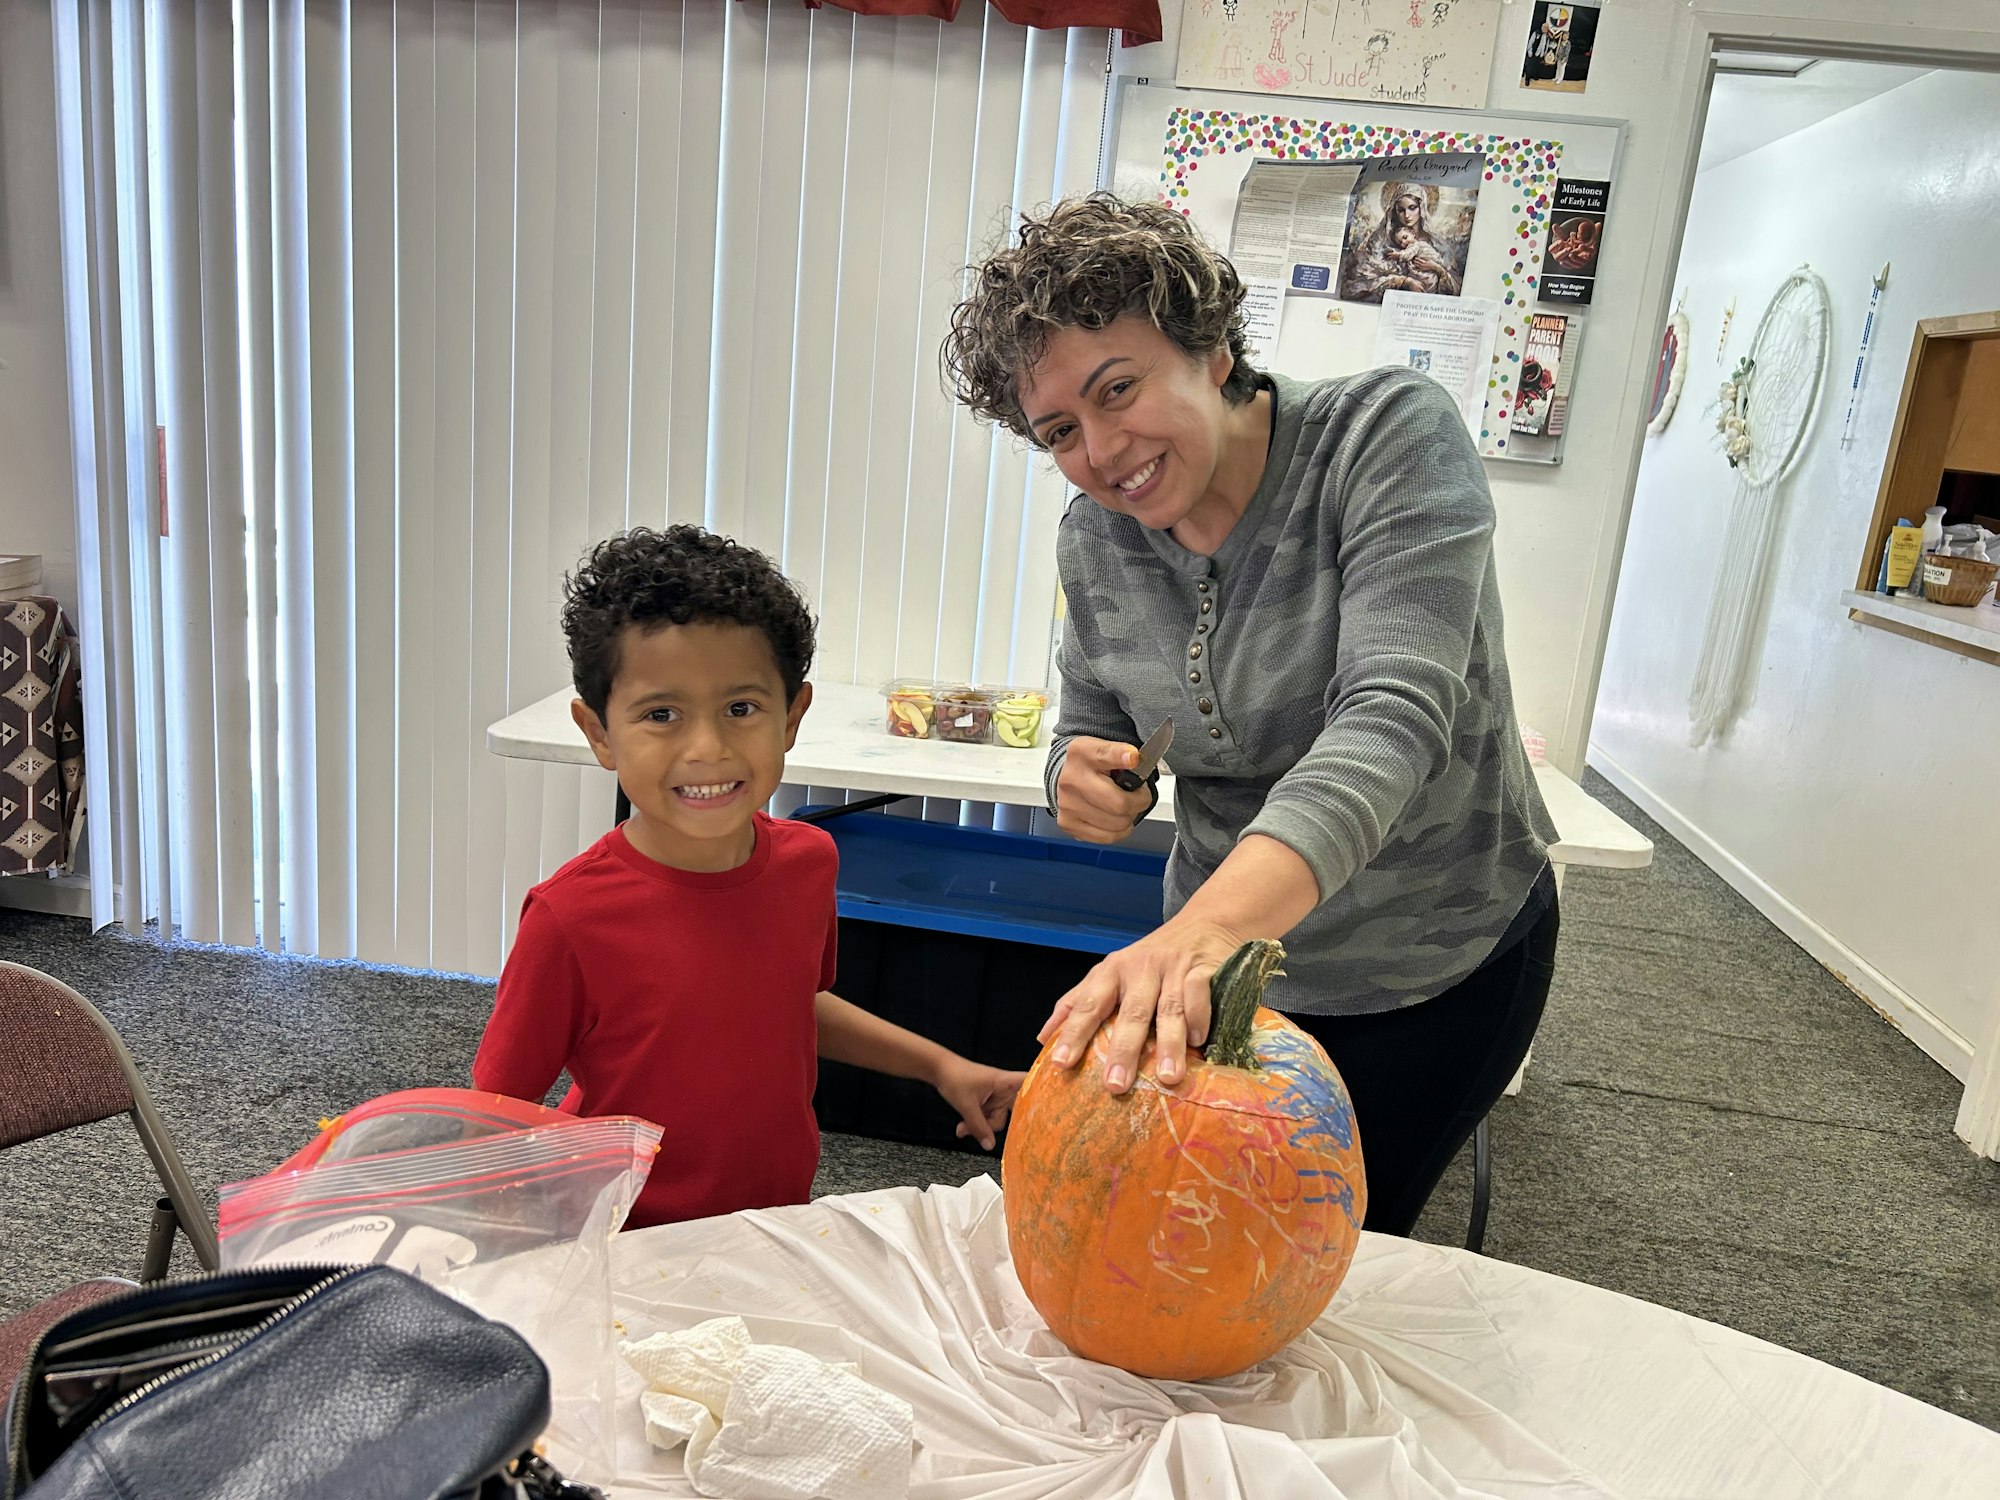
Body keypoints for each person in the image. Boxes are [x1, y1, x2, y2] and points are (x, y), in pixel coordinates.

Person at [941, 194, 1559, 1236]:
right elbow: (1087, 713)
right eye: (1058, 430)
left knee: (1340, 1249)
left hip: (1427, 961)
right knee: (1198, 1244)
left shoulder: (1383, 438)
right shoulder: (1094, 534)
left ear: (1211, 350)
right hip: (1227, 980)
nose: (1098, 450)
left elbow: (1392, 714)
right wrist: (1074, 773)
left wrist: (1199, 936)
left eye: (1118, 388)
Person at [472, 525, 1024, 1228]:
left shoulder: (806, 862)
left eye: (741, 708)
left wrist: (943, 1067)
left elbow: (788, 1005)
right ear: (599, 733)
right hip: (626, 1236)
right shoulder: (569, 918)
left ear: (792, 718)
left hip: (774, 1215)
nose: (708, 748)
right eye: (661, 714)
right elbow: (494, 1113)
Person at [1341, 186, 1463, 302]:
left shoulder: (1437, 244)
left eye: (1412, 207)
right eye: (1401, 210)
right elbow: (1356, 283)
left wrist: (1437, 269)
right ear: (1395, 211)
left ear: (1422, 207)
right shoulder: (1381, 241)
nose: (1407, 215)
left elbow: (1458, 288)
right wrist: (1404, 281)